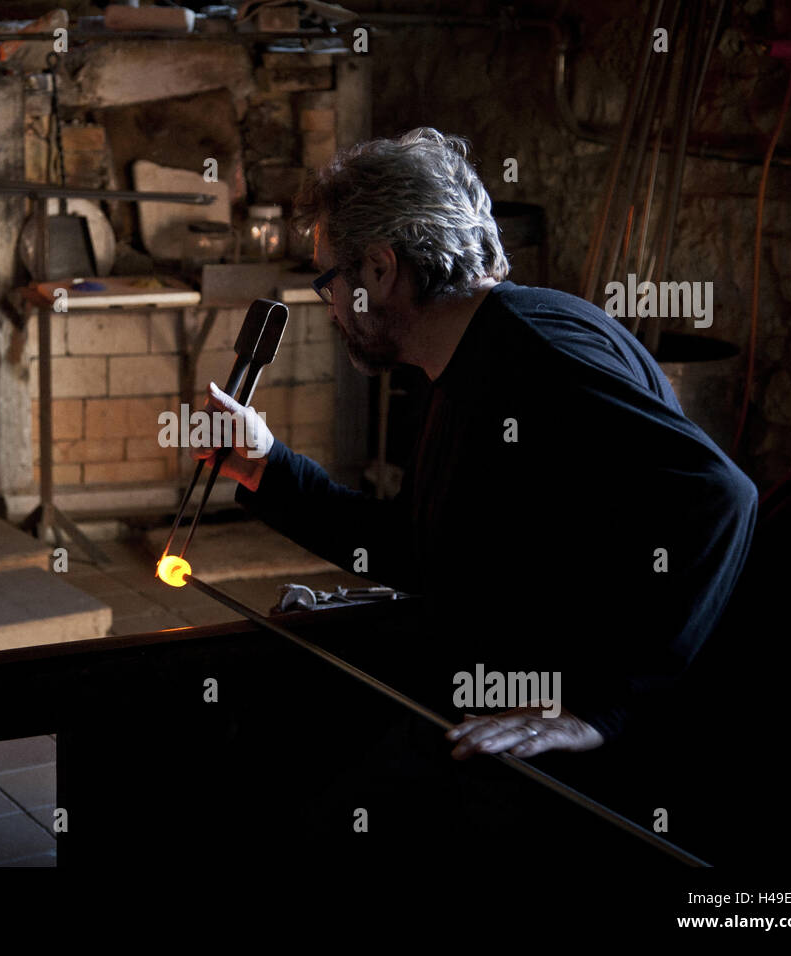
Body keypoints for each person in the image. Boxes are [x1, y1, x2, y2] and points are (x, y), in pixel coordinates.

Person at [194, 127, 759, 764]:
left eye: (330, 282)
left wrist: (606, 706)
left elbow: (719, 495)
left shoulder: (538, 353)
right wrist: (267, 468)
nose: (330, 309)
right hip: (496, 695)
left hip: (581, 743)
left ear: (379, 269)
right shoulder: (463, 361)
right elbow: (419, 549)